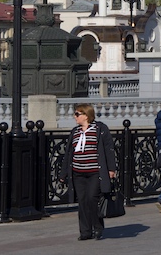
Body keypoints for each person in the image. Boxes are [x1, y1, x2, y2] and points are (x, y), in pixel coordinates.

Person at [60, 103, 116, 241]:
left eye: (77, 114)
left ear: (86, 115)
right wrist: (63, 173)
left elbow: (109, 149)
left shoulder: (100, 129)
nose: (75, 117)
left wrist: (111, 169)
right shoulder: (75, 131)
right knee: (83, 201)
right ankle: (85, 231)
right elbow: (68, 153)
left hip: (95, 172)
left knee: (92, 199)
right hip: (78, 172)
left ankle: (98, 227)